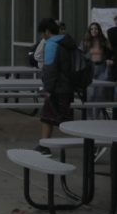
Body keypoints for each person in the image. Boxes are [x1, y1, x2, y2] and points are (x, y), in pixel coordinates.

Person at [36, 18, 77, 155]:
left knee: (50, 117)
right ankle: (43, 145)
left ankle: (44, 146)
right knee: (52, 117)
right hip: (67, 86)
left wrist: (46, 89)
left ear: (47, 31)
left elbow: (50, 70)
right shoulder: (66, 41)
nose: (41, 36)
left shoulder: (52, 44)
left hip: (56, 88)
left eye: (42, 33)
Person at [80, 22, 112, 101]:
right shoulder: (85, 41)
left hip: (102, 68)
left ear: (99, 30)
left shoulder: (104, 41)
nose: (94, 30)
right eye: (92, 29)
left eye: (96, 29)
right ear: (89, 31)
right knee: (91, 94)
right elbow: (80, 54)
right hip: (90, 68)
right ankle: (90, 113)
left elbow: (111, 53)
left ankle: (96, 113)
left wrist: (109, 60)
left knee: (100, 94)